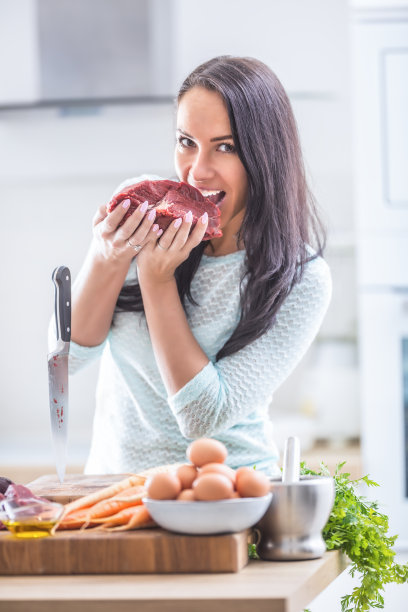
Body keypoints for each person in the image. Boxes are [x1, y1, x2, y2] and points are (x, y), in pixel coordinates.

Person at [63, 56, 331, 475]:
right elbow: (63, 361)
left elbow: (202, 418)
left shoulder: (301, 279)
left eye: (225, 147)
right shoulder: (141, 209)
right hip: (113, 491)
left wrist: (156, 280)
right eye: (187, 141)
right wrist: (107, 257)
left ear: (265, 156)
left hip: (231, 498)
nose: (197, 172)